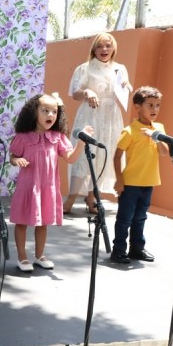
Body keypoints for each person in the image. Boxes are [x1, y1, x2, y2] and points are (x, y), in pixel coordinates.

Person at [9, 94, 91, 272]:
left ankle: (40, 255)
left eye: (54, 111)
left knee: (43, 223)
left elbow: (70, 158)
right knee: (21, 222)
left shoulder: (57, 137)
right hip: (27, 187)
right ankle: (22, 257)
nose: (50, 115)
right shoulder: (23, 137)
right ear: (34, 112)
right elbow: (13, 157)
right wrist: (17, 160)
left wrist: (81, 143)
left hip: (47, 187)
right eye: (45, 110)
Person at [64, 32, 132, 214]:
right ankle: (70, 198)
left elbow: (126, 90)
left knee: (104, 154)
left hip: (111, 118)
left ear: (114, 48)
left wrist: (126, 85)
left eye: (108, 45)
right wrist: (87, 92)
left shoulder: (120, 68)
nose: (104, 49)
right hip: (90, 115)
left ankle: (92, 197)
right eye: (100, 46)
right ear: (94, 49)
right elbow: (75, 93)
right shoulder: (84, 68)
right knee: (82, 155)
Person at [110, 86, 169, 264]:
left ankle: (137, 249)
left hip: (148, 182)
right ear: (137, 106)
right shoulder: (129, 131)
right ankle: (118, 250)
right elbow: (117, 156)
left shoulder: (159, 128)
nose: (155, 109)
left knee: (140, 217)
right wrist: (119, 181)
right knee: (125, 219)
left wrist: (155, 136)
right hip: (131, 183)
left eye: (157, 105)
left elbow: (164, 152)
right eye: (150, 105)